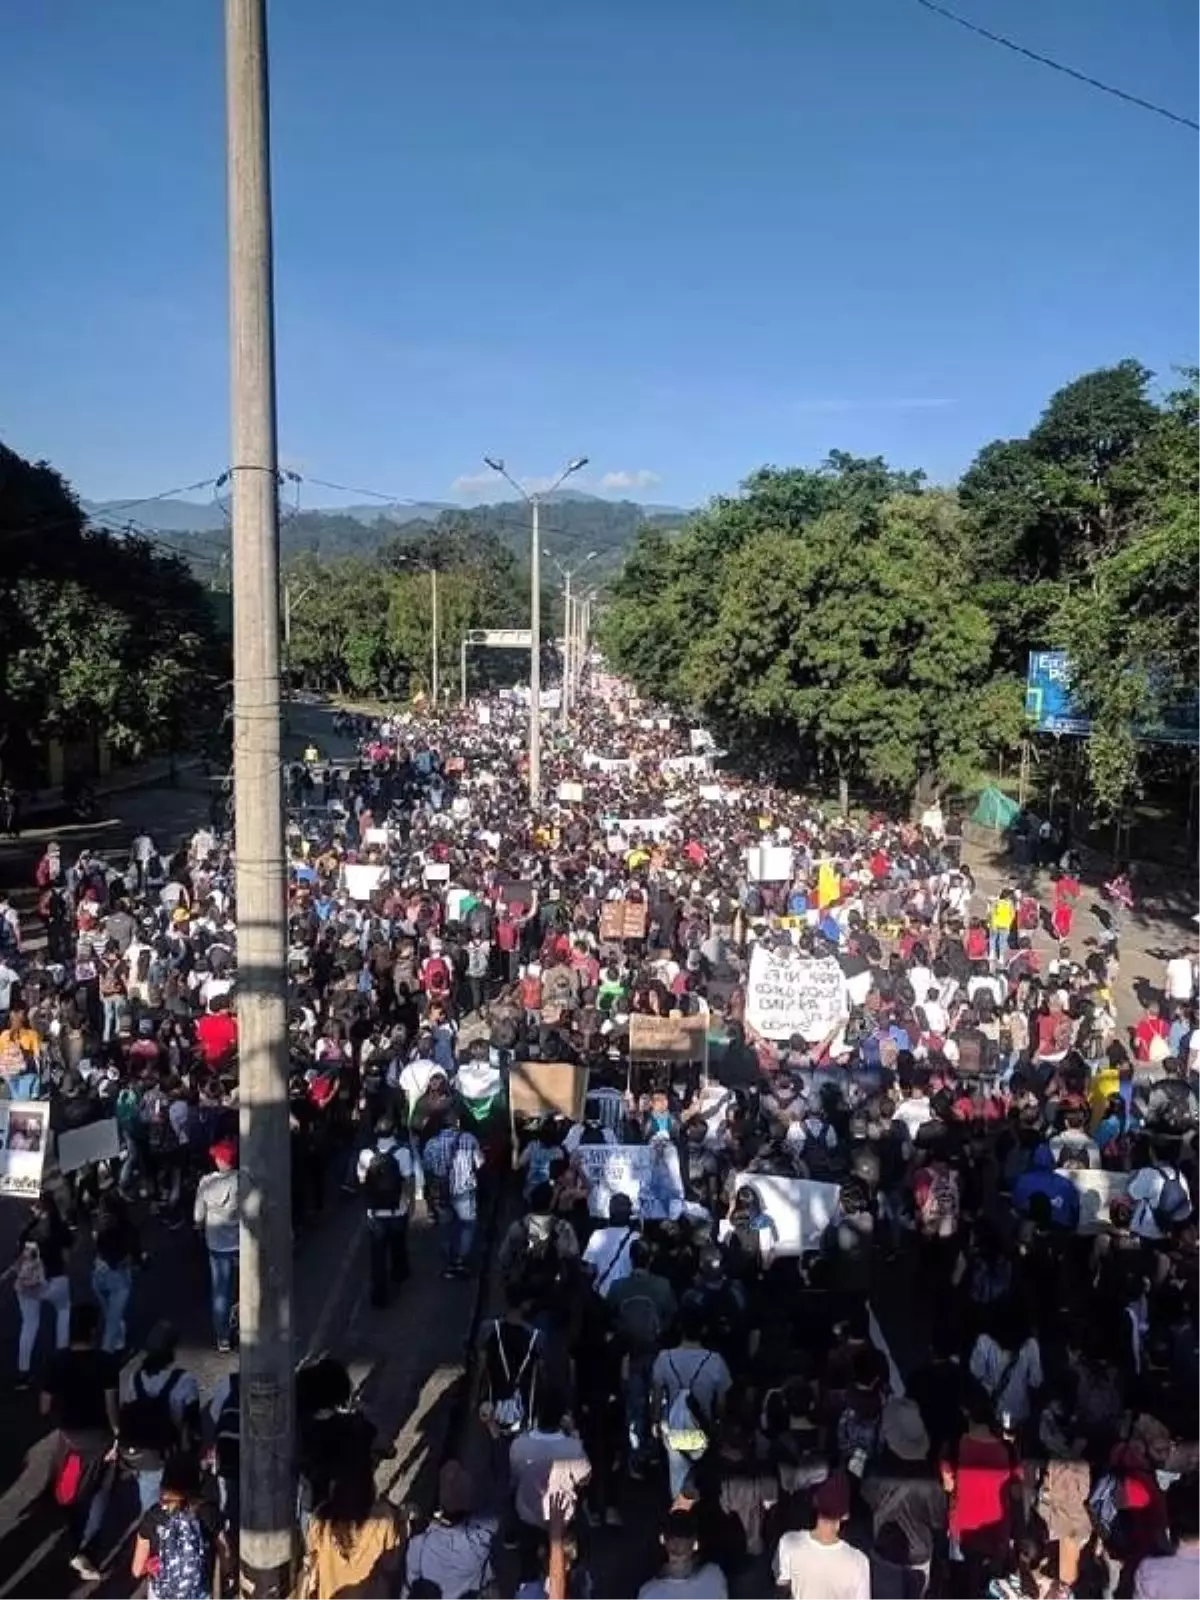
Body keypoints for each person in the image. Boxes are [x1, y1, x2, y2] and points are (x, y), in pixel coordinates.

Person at [40, 1303, 121, 1583]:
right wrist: (117, 1435)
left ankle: (74, 1544)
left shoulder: (56, 1362)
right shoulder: (106, 1363)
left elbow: (44, 1405)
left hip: (70, 1439)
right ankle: (87, 1547)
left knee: (69, 1490)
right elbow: (111, 1407)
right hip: (99, 1439)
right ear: (94, 1331)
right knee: (100, 1492)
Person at [300, 1443, 407, 1599]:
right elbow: (392, 1565)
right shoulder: (384, 1518)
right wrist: (403, 1524)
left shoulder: (322, 1519)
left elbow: (312, 1567)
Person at [131, 1452, 220, 1600]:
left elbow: (137, 1570)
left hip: (162, 1594)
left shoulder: (153, 1516)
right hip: (198, 1592)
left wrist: (153, 1566)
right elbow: (227, 1554)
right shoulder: (208, 1513)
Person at [7, 1191, 74, 1385]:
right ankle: (62, 1360)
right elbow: (67, 1257)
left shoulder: (27, 1230)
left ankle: (23, 1371)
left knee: (28, 1325)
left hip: (28, 1283)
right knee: (63, 1310)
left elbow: (20, 1255)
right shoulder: (60, 1228)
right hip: (55, 1279)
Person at [773, 1470, 870, 1600]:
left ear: (815, 1503)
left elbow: (782, 1587)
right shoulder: (858, 1562)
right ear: (845, 1515)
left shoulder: (789, 1542)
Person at [357, 1114, 414, 1308]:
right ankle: (400, 1275)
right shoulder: (403, 1152)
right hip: (398, 1211)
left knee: (377, 1257)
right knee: (398, 1247)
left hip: (375, 1214)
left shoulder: (366, 1154)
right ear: (394, 1131)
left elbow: (362, 1181)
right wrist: (409, 1203)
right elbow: (407, 1180)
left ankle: (379, 1296)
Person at [422, 1112, 484, 1278]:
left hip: (442, 1193)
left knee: (446, 1227)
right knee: (467, 1225)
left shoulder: (432, 1143)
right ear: (457, 1123)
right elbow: (479, 1163)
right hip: (464, 1190)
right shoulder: (469, 1139)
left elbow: (426, 1167)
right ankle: (461, 1261)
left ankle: (449, 1262)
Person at [193, 1139, 240, 1352]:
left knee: (220, 1291)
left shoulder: (206, 1183)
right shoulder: (241, 1181)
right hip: (239, 1244)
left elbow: (198, 1216)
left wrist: (200, 1225)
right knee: (243, 1288)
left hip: (216, 1245)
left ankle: (222, 1337)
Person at [637, 1508, 728, 1600]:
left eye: (683, 1536)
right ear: (664, 1541)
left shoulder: (713, 1575)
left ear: (694, 1541)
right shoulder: (649, 1592)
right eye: (671, 1537)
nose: (677, 1544)